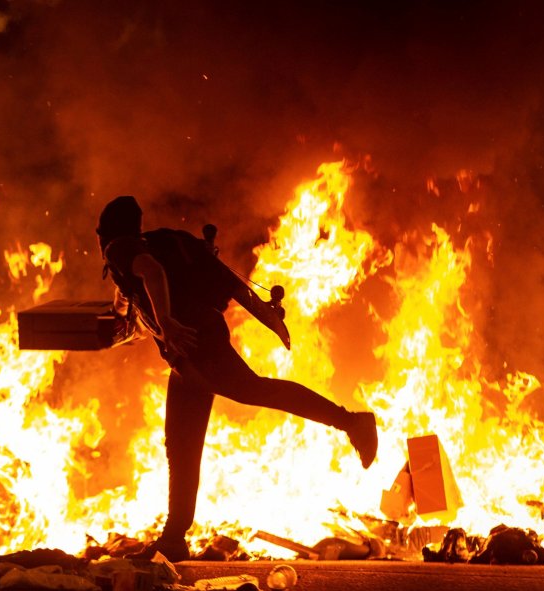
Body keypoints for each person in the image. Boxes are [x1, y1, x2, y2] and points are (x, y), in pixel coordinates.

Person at [96, 195, 378, 563]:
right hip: (188, 357)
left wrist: (165, 321)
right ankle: (174, 538)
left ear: (105, 233)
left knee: (251, 390)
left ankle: (352, 421)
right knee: (180, 443)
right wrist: (268, 317)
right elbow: (225, 283)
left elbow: (151, 273)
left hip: (198, 347)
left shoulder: (122, 248)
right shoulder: (148, 248)